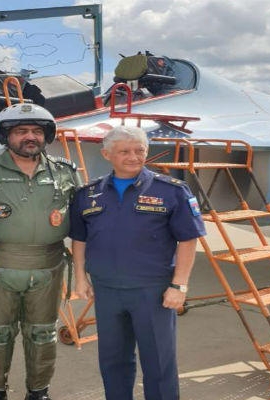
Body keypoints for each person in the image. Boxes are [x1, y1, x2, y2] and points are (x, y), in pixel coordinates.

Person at [69, 125, 206, 400]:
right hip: (107, 290)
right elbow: (80, 239)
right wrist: (81, 278)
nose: (133, 157)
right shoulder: (88, 193)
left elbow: (188, 239)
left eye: (139, 150)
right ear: (107, 154)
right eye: (124, 151)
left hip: (153, 291)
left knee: (158, 362)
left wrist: (179, 285)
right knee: (113, 360)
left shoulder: (171, 191)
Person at [0, 103, 80, 400]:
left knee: (43, 334)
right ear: (6, 136)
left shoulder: (65, 172)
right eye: (21, 131)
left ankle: (39, 392)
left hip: (49, 267)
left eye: (36, 131)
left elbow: (82, 221)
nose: (30, 137)